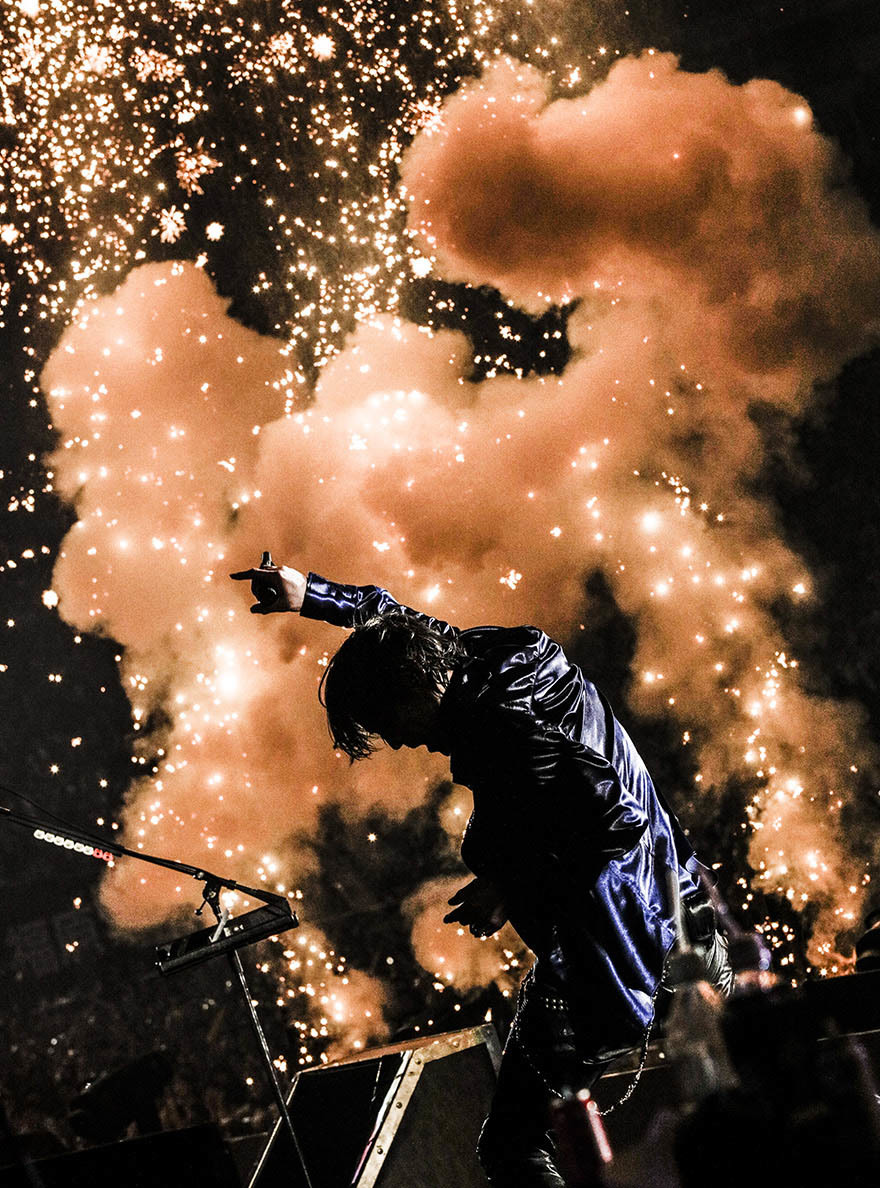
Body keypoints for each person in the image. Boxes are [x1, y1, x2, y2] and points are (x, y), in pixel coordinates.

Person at [231, 559, 732, 1187]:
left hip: (629, 959)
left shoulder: (505, 730)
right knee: (733, 1123)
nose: (397, 741)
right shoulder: (495, 654)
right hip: (692, 928)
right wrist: (312, 597)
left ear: (415, 692)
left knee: (512, 1150)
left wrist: (509, 884)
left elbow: (613, 822)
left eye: (389, 722)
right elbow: (400, 626)